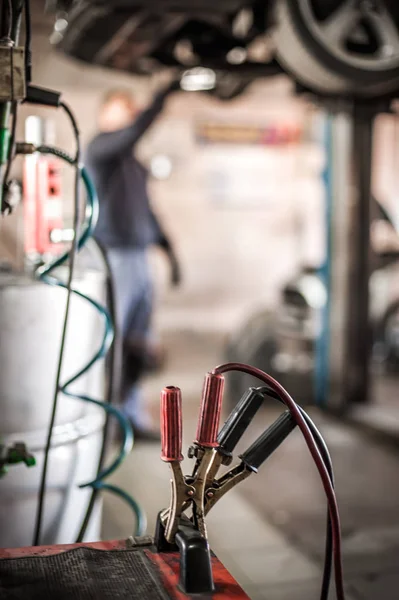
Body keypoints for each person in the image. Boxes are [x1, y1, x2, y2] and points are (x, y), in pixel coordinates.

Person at [85, 81, 181, 441]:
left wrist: (169, 251)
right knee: (113, 340)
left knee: (139, 344)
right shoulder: (100, 150)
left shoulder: (133, 164)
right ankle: (104, 420)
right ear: (106, 112)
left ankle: (130, 420)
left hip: (139, 258)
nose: (131, 115)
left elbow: (147, 211)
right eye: (124, 108)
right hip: (113, 259)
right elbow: (133, 133)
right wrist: (162, 96)